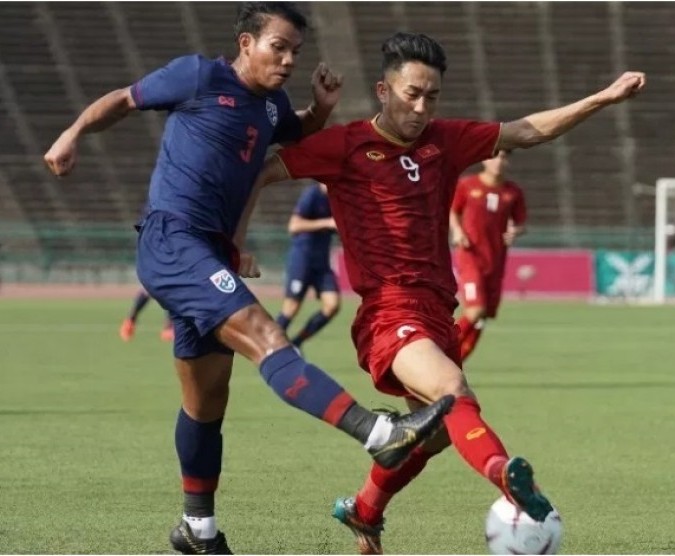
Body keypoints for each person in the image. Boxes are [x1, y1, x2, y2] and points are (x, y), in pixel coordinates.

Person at [42, 6, 453, 554]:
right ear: (246, 42)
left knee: (205, 403)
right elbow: (121, 99)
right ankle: (378, 434)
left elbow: (295, 133)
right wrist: (71, 134)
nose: (287, 60)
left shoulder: (273, 104)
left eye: (295, 53)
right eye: (278, 47)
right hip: (173, 238)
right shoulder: (197, 75)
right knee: (268, 336)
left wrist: (320, 109)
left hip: (209, 251)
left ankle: (197, 529)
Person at [252, 32, 645, 553]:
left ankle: (364, 511)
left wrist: (602, 98)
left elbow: (526, 132)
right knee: (453, 393)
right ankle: (510, 481)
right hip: (388, 310)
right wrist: (225, 239)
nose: (420, 107)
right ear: (383, 91)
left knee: (433, 432)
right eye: (411, 94)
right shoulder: (344, 146)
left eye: (431, 97)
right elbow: (259, 170)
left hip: (438, 310)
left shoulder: (446, 140)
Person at [450, 150, 527, 362]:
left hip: (496, 260)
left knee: (482, 317)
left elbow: (520, 223)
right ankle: (442, 350)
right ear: (484, 159)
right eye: (495, 156)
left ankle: (457, 360)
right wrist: (457, 231)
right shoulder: (467, 185)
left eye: (504, 157)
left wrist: (515, 232)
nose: (499, 162)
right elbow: (453, 211)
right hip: (470, 256)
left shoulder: (512, 192)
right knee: (475, 311)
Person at [275, 182, 340, 350]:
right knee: (291, 307)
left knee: (332, 305)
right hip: (302, 259)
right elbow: (294, 226)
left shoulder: (337, 197)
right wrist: (327, 223)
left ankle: (296, 343)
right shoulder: (312, 194)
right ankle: (270, 346)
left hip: (322, 263)